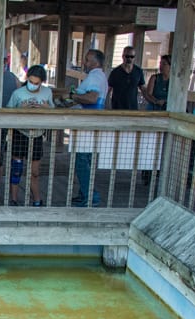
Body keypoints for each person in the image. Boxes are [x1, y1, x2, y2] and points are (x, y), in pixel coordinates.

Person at [6, 65, 55, 207]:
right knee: (17, 169)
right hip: (20, 133)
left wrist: (46, 108)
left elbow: (53, 109)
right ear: (27, 79)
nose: (33, 85)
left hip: (37, 134)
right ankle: (14, 199)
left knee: (35, 172)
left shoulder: (47, 92)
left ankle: (37, 200)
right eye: (31, 82)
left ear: (42, 82)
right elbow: (8, 111)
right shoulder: (18, 93)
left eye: (36, 83)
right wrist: (21, 108)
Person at [70, 48, 108, 207]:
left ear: (95, 62)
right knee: (88, 162)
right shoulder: (101, 76)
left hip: (87, 124)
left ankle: (90, 196)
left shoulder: (94, 77)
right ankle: (84, 193)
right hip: (94, 123)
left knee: (81, 161)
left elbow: (92, 97)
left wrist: (73, 97)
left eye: (86, 60)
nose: (84, 63)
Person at [108, 46, 145, 110]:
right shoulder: (115, 72)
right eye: (127, 56)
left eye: (132, 57)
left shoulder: (138, 71)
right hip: (117, 108)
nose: (129, 59)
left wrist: (152, 100)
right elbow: (108, 89)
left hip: (133, 108)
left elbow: (143, 89)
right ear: (123, 56)